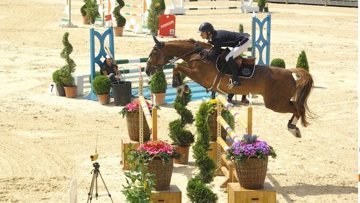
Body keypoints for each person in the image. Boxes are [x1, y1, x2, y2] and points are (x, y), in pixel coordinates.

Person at [198, 22, 251, 87]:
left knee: (228, 57)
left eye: (202, 33)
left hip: (244, 41)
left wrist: (206, 56)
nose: (200, 35)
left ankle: (236, 80)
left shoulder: (217, 38)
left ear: (208, 32)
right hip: (241, 40)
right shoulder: (213, 36)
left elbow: (215, 54)